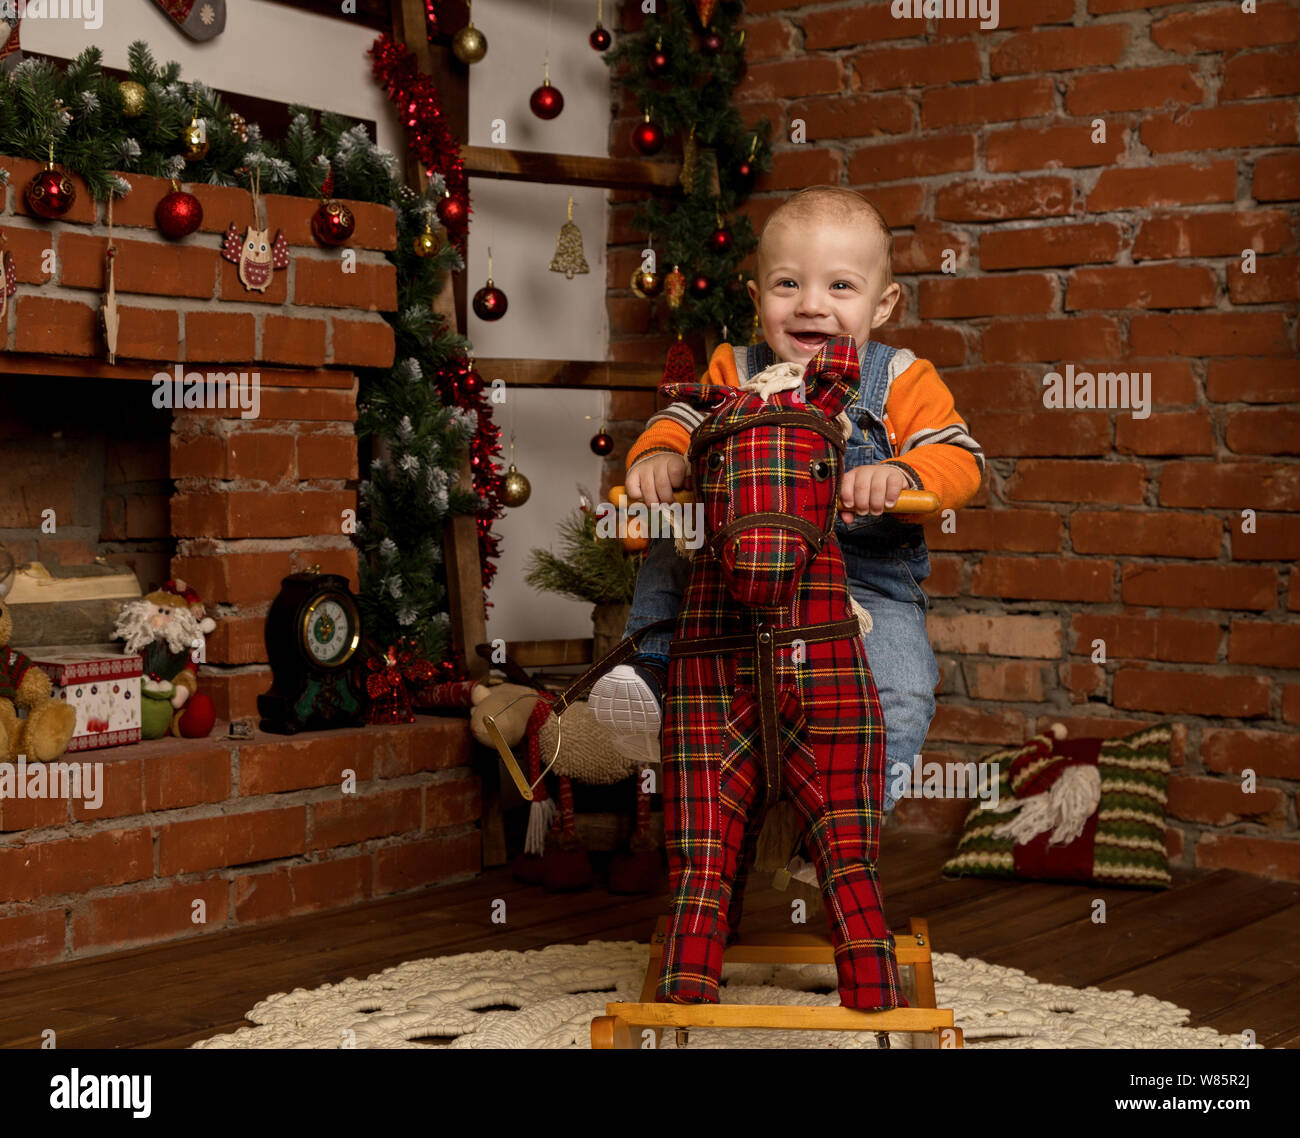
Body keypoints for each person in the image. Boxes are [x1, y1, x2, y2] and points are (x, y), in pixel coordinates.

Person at [590, 185, 985, 815]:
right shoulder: (733, 367)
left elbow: (961, 457)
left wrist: (903, 474)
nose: (811, 306)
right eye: (786, 285)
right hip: (734, 571)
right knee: (680, 525)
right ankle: (651, 676)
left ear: (883, 305)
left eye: (840, 287)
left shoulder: (902, 377)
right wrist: (660, 454)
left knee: (906, 688)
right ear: (756, 298)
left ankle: (849, 823)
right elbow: (681, 418)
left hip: (864, 582)